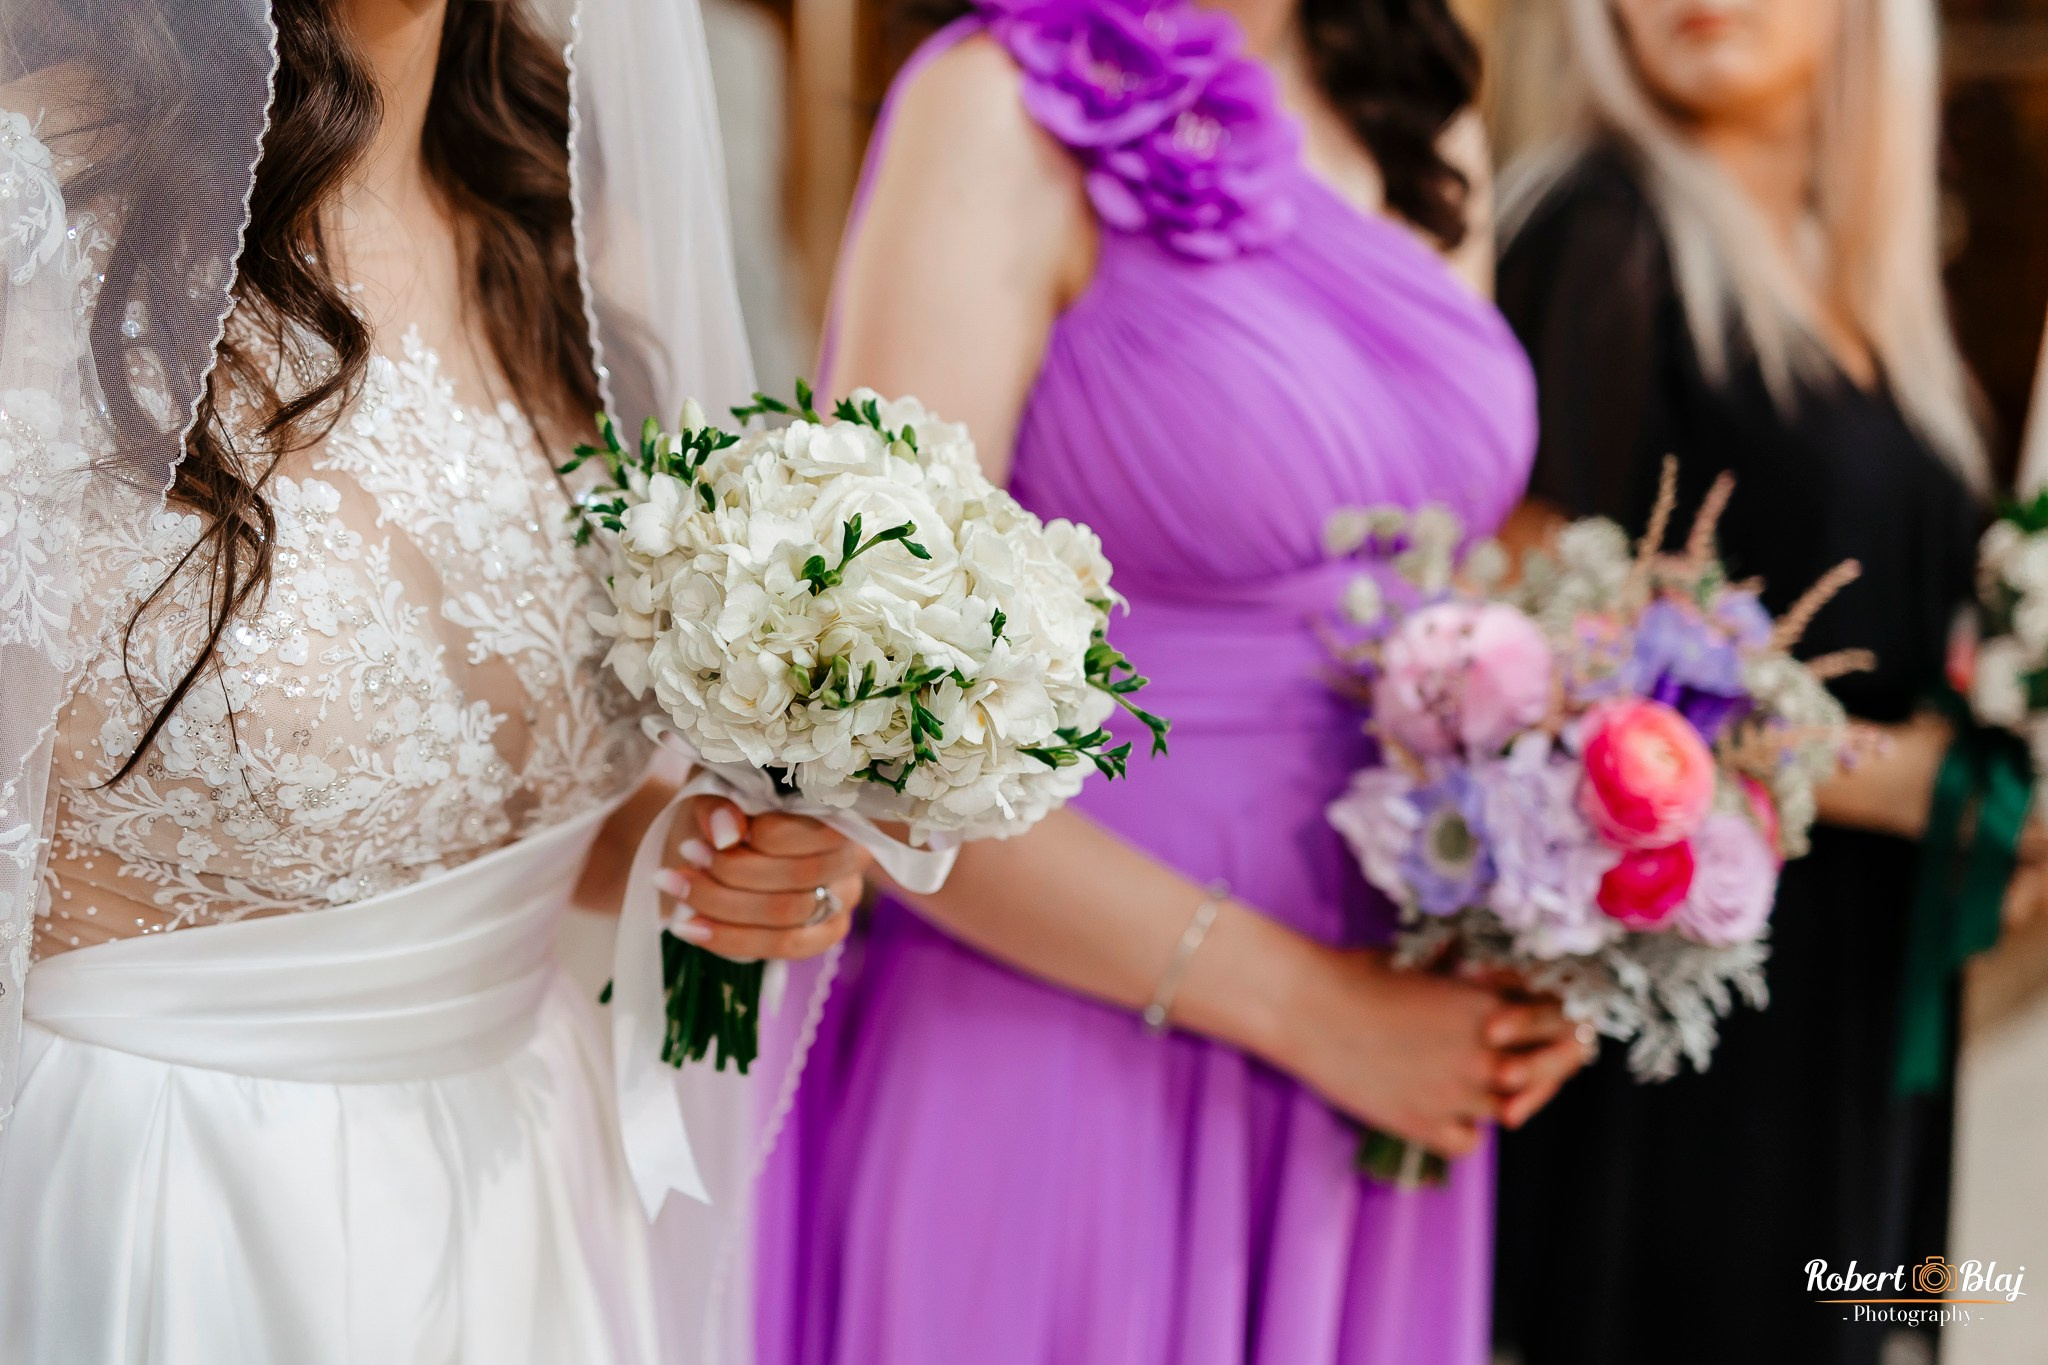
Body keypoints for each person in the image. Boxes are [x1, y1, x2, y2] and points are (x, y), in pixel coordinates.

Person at [0, 1, 861, 1360]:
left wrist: (698, 853)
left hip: (529, 1188)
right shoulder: (40, 211)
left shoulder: (563, 223)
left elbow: (507, 788)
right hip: (170, 1201)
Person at [753, 1, 1585, 1360]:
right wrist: (1313, 1009)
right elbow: (865, 724)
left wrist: (1551, 908)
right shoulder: (997, 107)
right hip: (1066, 1023)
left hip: (1382, 1054)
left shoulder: (1423, 108)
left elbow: (1446, 570)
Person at [1485, 3, 2004, 1363]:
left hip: (1862, 1003)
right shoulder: (1596, 234)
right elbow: (1541, 660)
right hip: (1694, 1037)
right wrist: (1924, 787)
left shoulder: (1874, 286)